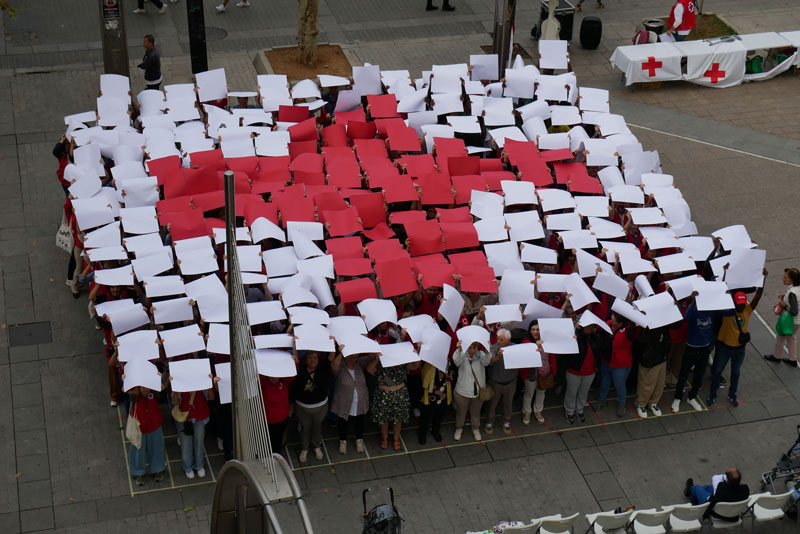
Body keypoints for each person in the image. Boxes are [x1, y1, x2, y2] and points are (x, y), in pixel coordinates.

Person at [708, 269, 767, 407]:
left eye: (743, 303)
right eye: (739, 304)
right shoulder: (727, 311)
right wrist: (725, 274)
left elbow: (758, 295)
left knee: (736, 372)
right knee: (717, 371)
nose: (741, 306)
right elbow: (720, 294)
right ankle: (713, 395)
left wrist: (763, 279)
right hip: (724, 347)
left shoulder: (747, 309)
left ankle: (732, 395)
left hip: (740, 348)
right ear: (734, 302)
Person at [672, 293, 718, 413]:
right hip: (691, 348)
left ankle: (692, 397)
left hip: (705, 349)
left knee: (699, 376)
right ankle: (677, 397)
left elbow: (729, 312)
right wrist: (692, 303)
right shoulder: (693, 309)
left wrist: (725, 296)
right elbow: (685, 318)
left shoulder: (712, 311)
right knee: (683, 375)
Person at [330, 346, 372, 454]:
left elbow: (370, 357)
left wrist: (373, 346)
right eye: (350, 357)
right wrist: (340, 352)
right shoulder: (341, 367)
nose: (352, 360)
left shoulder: (358, 364)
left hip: (360, 401)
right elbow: (334, 366)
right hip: (344, 402)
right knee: (343, 422)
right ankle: (343, 441)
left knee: (359, 422)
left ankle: (359, 439)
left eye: (354, 357)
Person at [292, 350, 331, 463]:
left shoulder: (322, 369)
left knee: (317, 427)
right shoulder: (300, 371)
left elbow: (330, 359)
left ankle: (316, 446)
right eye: (310, 358)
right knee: (305, 428)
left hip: (320, 406)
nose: (313, 360)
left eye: (315, 358)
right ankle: (304, 448)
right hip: (303, 407)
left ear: (318, 360)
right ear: (306, 360)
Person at [564, 323, 605, 424]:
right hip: (574, 371)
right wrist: (578, 332)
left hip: (590, 372)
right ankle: (569, 411)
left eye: (593, 326)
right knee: (571, 393)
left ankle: (580, 410)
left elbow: (601, 346)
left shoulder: (596, 338)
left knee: (583, 393)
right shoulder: (576, 337)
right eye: (588, 326)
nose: (591, 328)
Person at [598, 313, 637, 418]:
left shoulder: (628, 331)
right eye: (611, 319)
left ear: (621, 323)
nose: (611, 321)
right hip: (606, 361)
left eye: (614, 321)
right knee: (605, 381)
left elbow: (634, 325)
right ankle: (602, 400)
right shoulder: (609, 324)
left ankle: (622, 404)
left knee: (620, 385)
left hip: (620, 364)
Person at [370, 359, 414, 451]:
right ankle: (384, 438)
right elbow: (369, 370)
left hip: (399, 394)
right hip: (383, 394)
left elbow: (414, 366)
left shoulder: (402, 361)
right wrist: (376, 358)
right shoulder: (379, 361)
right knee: (383, 419)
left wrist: (416, 352)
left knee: (398, 419)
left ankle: (396, 438)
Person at [452, 340, 491, 442]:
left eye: (474, 348)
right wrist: (458, 349)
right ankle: (459, 428)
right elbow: (456, 362)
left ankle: (475, 428)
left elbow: (487, 362)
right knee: (461, 412)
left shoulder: (481, 355)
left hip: (478, 391)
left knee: (475, 412)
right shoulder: (461, 355)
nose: (472, 350)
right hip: (462, 391)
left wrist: (488, 351)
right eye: (470, 348)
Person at [127, 385, 166, 486]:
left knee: (157, 448)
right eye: (143, 388)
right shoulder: (133, 394)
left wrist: (161, 385)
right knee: (138, 450)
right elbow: (127, 395)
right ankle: (138, 472)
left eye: (147, 387)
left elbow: (162, 395)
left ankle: (157, 469)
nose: (146, 390)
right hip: (139, 427)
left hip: (154, 425)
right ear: (138, 388)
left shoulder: (154, 392)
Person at [172, 384, 213, 479]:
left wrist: (209, 383)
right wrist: (174, 387)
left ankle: (199, 465)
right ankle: (188, 467)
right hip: (184, 416)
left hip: (199, 415)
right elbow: (175, 401)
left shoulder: (200, 377)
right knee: (186, 444)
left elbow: (211, 397)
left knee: (199, 442)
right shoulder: (179, 377)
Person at [685, 468, 749, 521]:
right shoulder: (745, 489)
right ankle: (693, 490)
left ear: (728, 481)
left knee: (697, 488)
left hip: (716, 514)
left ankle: (691, 493)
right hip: (733, 516)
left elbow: (715, 479)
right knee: (707, 488)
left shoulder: (721, 488)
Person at [485, 329, 517, 435]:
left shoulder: (515, 348)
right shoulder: (493, 348)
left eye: (502, 339)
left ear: (508, 340)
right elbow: (490, 361)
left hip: (510, 382)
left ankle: (506, 421)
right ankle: (490, 422)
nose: (499, 341)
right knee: (492, 404)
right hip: (496, 383)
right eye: (498, 339)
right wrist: (498, 357)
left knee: (508, 403)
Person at [634, 326, 670, 418]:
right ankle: (641, 404)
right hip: (649, 358)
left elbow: (675, 326)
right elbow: (642, 339)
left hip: (662, 355)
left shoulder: (664, 321)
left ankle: (653, 402)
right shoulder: (647, 323)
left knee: (660, 383)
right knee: (647, 383)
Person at [520, 321, 551, 425]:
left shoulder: (547, 341)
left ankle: (538, 411)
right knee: (529, 393)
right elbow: (524, 355)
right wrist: (534, 346)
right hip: (531, 373)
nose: (535, 332)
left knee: (541, 392)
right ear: (529, 330)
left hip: (544, 372)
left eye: (538, 329)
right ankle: (527, 412)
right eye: (533, 329)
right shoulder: (526, 341)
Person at [260, 369, 295, 457]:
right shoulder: (262, 381)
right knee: (266, 441)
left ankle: (276, 458)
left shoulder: (285, 380)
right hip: (266, 420)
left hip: (281, 419)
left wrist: (294, 360)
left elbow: (293, 371)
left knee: (277, 442)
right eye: (271, 375)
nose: (274, 378)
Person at [769, 268, 800, 366]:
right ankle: (793, 359)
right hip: (797, 321)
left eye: (785, 277)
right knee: (792, 338)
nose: (783, 278)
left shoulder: (792, 293)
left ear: (791, 280)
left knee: (780, 337)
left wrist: (783, 305)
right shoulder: (796, 289)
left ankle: (777, 356)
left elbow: (794, 311)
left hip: (790, 320)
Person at [418, 361, 451, 444]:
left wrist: (447, 374)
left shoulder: (447, 362)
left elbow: (450, 377)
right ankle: (422, 433)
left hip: (442, 395)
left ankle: (435, 430)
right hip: (431, 395)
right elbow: (423, 379)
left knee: (439, 415)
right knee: (426, 415)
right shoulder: (428, 364)